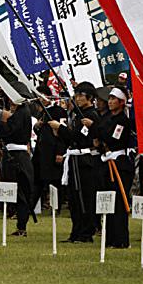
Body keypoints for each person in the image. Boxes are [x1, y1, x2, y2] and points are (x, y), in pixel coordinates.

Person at [49, 81, 100, 244]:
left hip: (84, 160)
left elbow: (79, 137)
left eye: (81, 95)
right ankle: (76, 231)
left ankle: (86, 232)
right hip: (74, 158)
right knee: (74, 198)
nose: (77, 98)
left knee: (84, 196)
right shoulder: (78, 114)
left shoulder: (91, 115)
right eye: (76, 95)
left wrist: (61, 128)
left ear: (90, 98)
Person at [0, 81, 35, 237]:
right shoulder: (20, 112)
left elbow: (8, 130)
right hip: (14, 154)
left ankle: (21, 225)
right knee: (17, 192)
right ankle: (19, 222)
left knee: (21, 192)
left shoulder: (22, 112)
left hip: (18, 156)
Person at [96, 86, 134, 248]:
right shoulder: (106, 118)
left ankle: (121, 239)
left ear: (121, 102)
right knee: (108, 201)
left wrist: (102, 139)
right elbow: (97, 136)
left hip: (119, 163)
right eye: (109, 99)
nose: (110, 102)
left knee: (119, 202)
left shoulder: (123, 121)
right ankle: (109, 237)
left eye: (113, 99)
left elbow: (114, 139)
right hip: (106, 161)